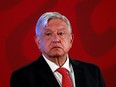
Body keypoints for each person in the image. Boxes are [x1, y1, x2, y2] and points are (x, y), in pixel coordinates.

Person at [10, 12, 106, 87]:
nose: (55, 40)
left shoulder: (93, 72)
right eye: (48, 34)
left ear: (71, 40)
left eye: (60, 33)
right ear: (38, 41)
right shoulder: (22, 78)